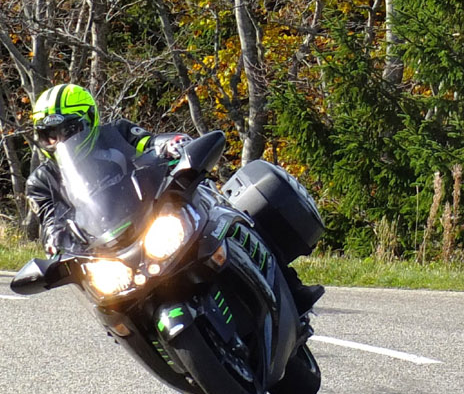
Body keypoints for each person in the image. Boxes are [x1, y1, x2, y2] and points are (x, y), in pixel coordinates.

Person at [23, 83, 323, 313]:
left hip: (153, 214)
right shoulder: (41, 182)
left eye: (67, 129)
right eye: (48, 134)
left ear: (88, 120)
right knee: (109, 306)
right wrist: (57, 245)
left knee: (227, 214)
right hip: (107, 247)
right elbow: (51, 223)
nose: (58, 140)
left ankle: (291, 288)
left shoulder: (117, 133)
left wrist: (172, 144)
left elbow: (150, 142)